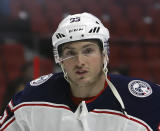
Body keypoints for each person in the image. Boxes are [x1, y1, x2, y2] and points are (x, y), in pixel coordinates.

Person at [0, 12, 160, 131]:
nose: (79, 61)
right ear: (59, 59)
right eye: (70, 53)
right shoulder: (30, 99)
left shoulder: (147, 103)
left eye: (88, 50)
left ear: (104, 54)